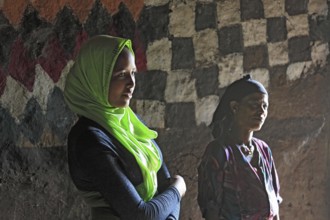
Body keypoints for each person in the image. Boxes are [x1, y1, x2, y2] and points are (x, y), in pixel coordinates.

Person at [64, 35, 186, 220]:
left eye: (133, 73)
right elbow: (140, 215)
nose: (131, 83)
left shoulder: (128, 121)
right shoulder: (89, 139)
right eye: (121, 75)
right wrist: (179, 189)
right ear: (96, 79)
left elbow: (164, 184)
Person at [197, 75, 282, 220]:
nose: (261, 112)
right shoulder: (220, 152)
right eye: (254, 105)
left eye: (265, 106)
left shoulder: (263, 150)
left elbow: (274, 199)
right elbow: (211, 209)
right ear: (235, 107)